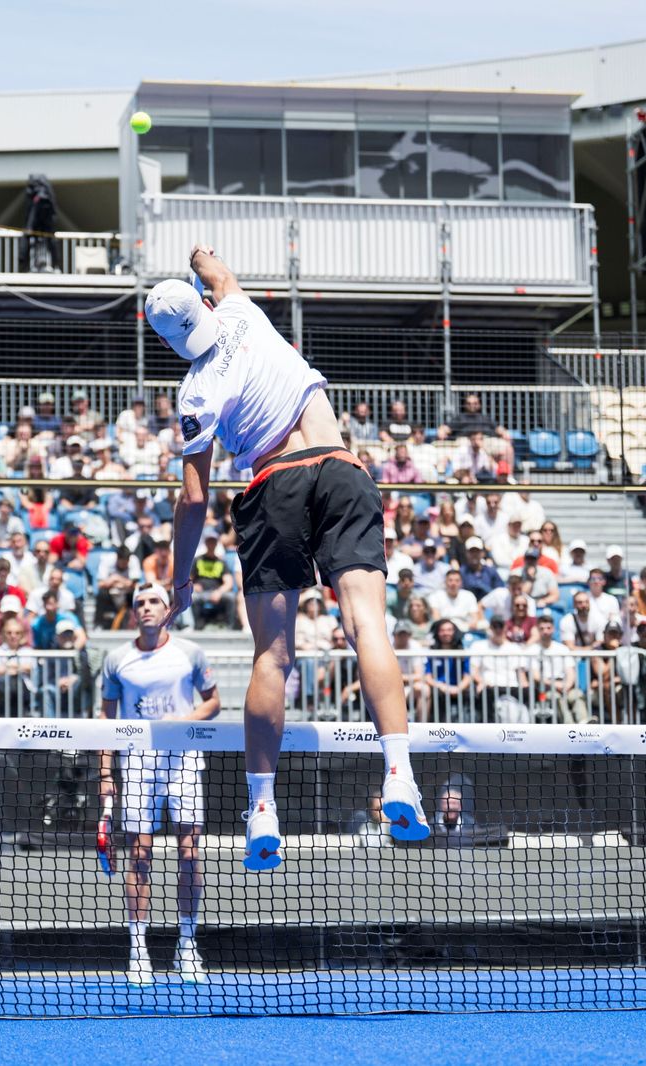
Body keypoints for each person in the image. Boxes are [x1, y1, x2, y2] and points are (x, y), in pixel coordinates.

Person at [145, 248, 429, 871]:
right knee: (368, 628)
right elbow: (212, 264)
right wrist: (196, 261)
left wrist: (180, 578)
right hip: (341, 469)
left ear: (168, 342)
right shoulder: (240, 308)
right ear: (207, 303)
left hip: (273, 485)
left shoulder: (195, 391)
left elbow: (194, 501)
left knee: (273, 654)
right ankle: (401, 774)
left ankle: (263, 809)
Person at [98, 584, 220, 984]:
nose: (146, 608)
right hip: (137, 761)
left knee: (189, 854)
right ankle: (139, 951)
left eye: (153, 602)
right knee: (139, 855)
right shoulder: (116, 660)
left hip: (183, 758)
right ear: (133, 612)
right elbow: (106, 721)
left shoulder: (190, 653)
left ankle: (187, 946)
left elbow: (213, 701)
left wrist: (181, 724)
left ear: (168, 609)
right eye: (140, 603)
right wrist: (105, 774)